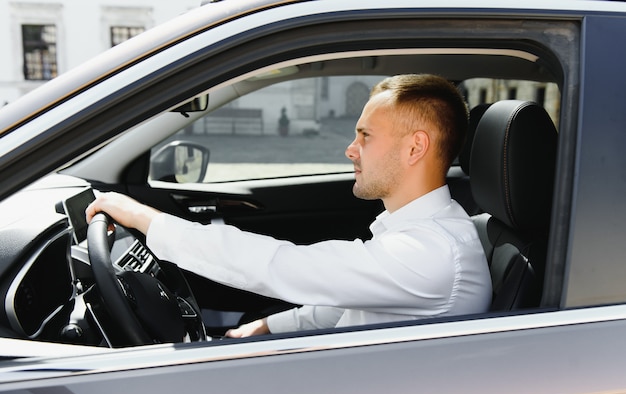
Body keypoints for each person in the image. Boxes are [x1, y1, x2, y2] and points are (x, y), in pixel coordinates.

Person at [86, 74, 491, 339]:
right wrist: (264, 326)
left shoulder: (432, 252)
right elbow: (345, 306)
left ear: (415, 147)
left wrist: (144, 217)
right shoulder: (424, 233)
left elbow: (282, 265)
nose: (350, 149)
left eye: (365, 136)